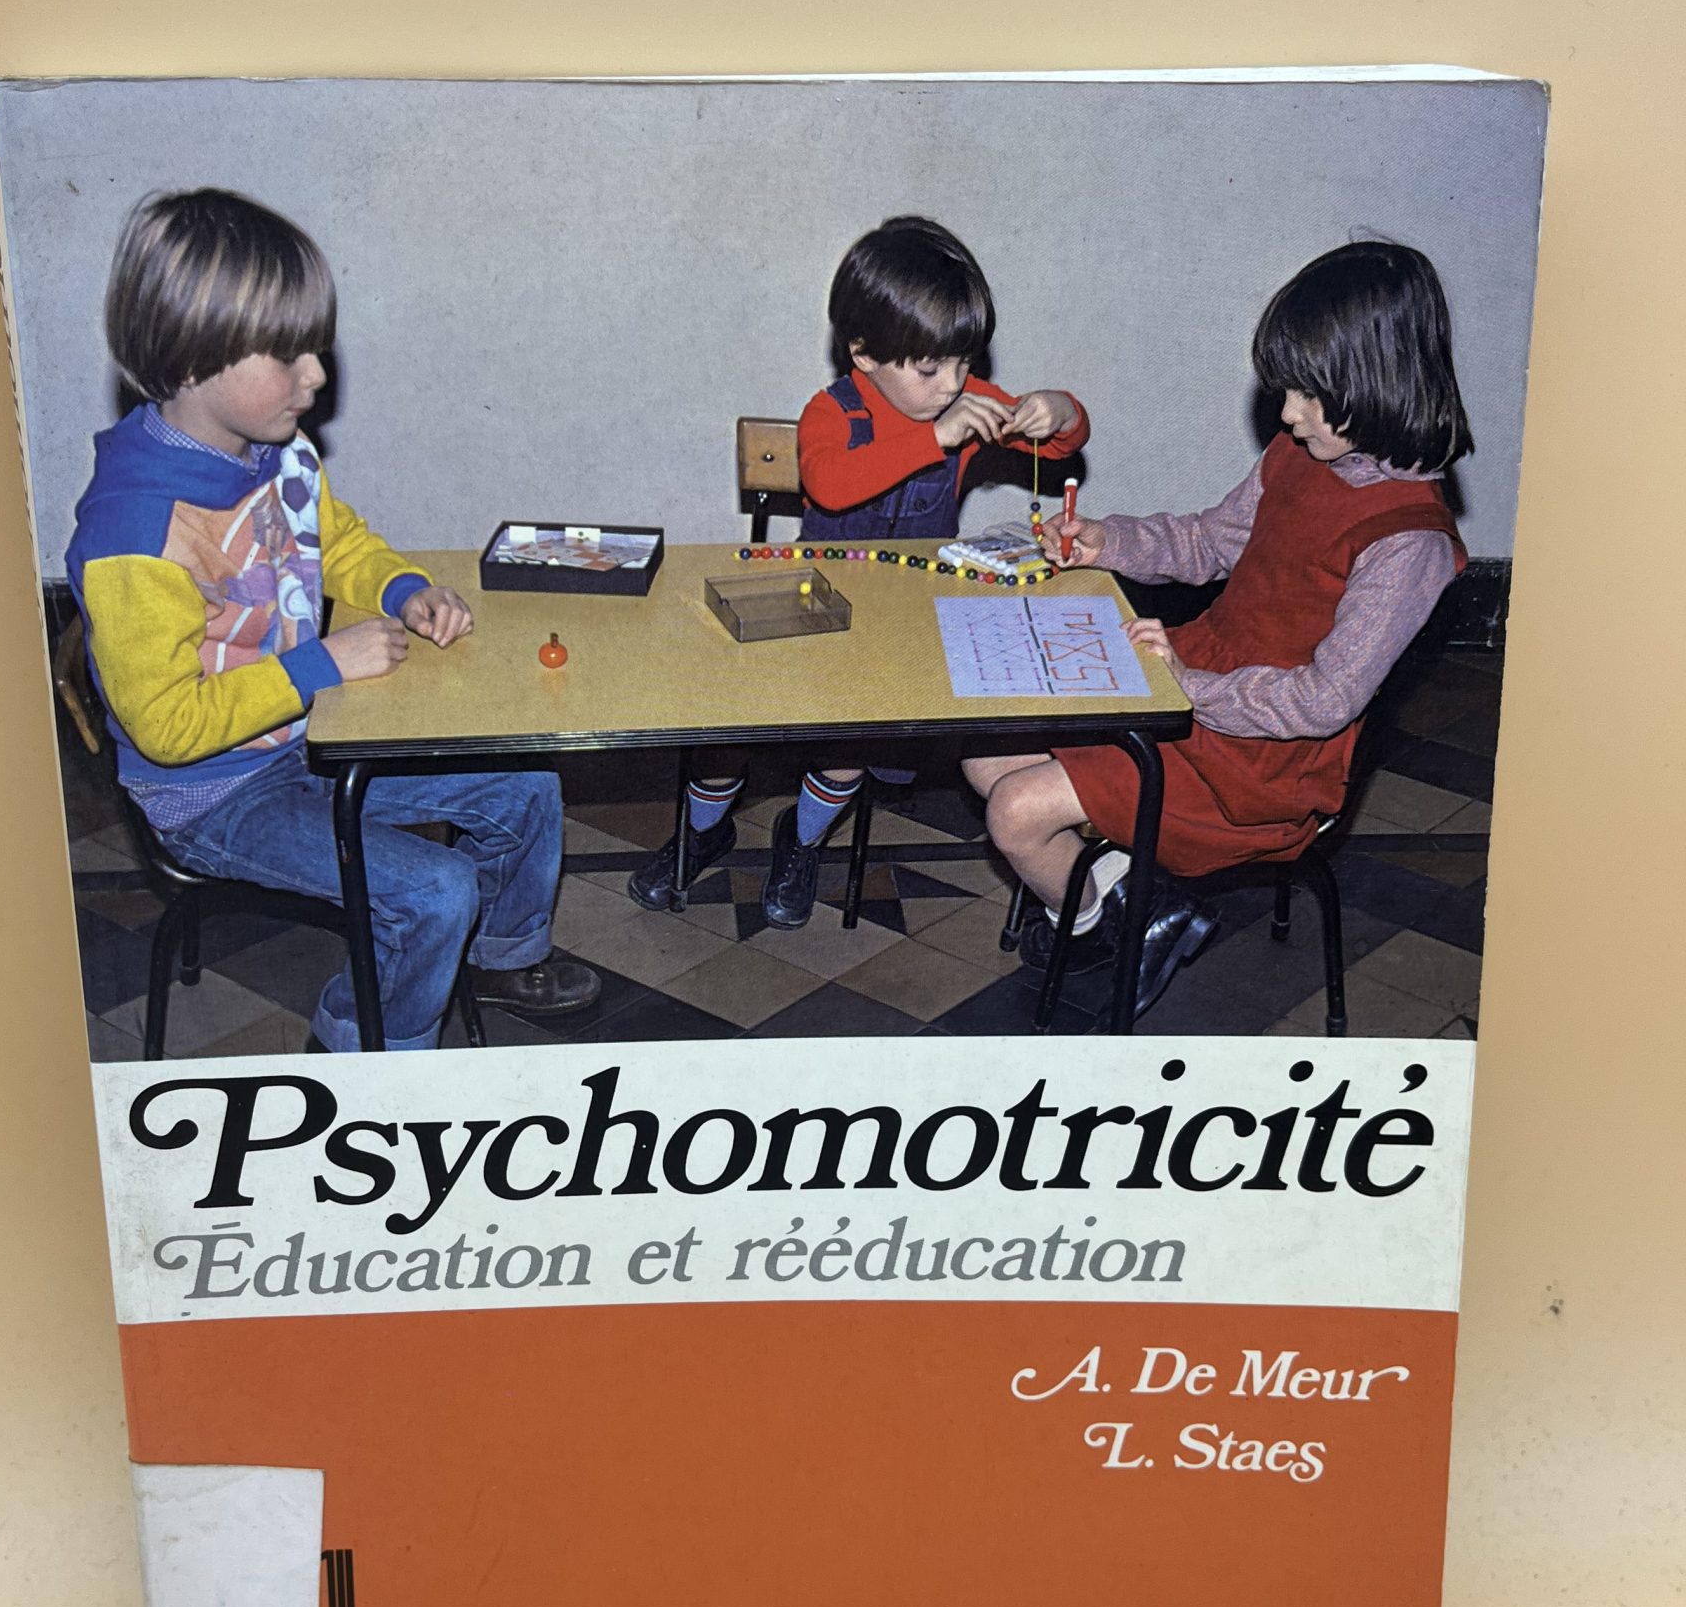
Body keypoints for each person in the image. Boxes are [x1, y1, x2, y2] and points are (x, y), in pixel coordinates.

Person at [68, 187, 600, 1050]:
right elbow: (166, 729)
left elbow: (336, 538)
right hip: (211, 796)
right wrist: (324, 663)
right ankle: (360, 1046)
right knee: (435, 892)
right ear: (191, 359)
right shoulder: (138, 535)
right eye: (287, 354)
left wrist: (401, 589)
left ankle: (499, 959)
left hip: (303, 738)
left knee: (525, 788)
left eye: (315, 347)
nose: (316, 375)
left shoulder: (274, 450)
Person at [967, 239, 1470, 1019]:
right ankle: (1136, 908)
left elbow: (1324, 701)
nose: (1288, 412)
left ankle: (1104, 927)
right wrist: (1108, 540)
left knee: (1015, 810)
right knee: (984, 753)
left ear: (1378, 384)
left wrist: (1188, 689)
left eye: (1308, 393)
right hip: (1198, 680)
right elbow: (1209, 542)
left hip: (1265, 758)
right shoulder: (1301, 452)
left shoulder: (1409, 541)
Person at [629, 215, 1088, 926]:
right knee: (723, 734)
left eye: (963, 363)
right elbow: (832, 484)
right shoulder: (832, 412)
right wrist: (933, 439)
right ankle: (700, 832)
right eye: (930, 369)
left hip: (902, 621)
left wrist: (1057, 411)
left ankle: (802, 838)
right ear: (864, 353)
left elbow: (1060, 446)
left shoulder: (964, 397)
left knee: (851, 746)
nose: (952, 386)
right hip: (811, 604)